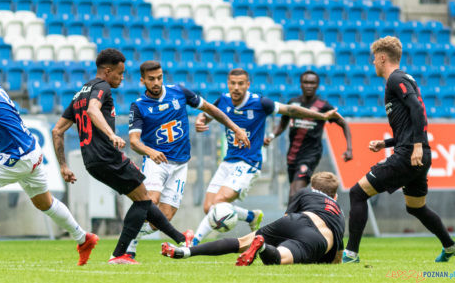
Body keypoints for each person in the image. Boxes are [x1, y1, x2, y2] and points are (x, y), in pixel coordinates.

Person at [52, 49, 196, 265]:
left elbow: (57, 131)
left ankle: (180, 238)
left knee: (143, 199)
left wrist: (63, 165)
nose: (122, 78)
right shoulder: (102, 88)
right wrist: (111, 135)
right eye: (120, 73)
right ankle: (121, 253)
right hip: (108, 156)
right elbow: (93, 110)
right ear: (108, 71)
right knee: (144, 200)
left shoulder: (79, 93)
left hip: (91, 162)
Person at [192, 68, 343, 245]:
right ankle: (251, 216)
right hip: (228, 161)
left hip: (249, 163)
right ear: (228, 84)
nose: (236, 87)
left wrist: (322, 115)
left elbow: (291, 110)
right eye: (233, 83)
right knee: (208, 208)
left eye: (241, 83)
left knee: (219, 202)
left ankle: (192, 242)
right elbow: (209, 114)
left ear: (248, 85)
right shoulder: (223, 100)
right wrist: (200, 120)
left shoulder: (260, 103)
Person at [342, 36, 455, 263]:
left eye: (374, 58)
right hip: (417, 153)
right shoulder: (402, 80)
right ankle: (450, 246)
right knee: (416, 207)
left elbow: (418, 109)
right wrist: (385, 143)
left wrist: (415, 147)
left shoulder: (396, 78)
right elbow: (409, 121)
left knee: (357, 193)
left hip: (409, 155)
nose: (372, 63)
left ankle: (351, 253)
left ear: (383, 58)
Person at [125, 60, 250, 258]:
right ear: (142, 80)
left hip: (181, 164)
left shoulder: (179, 92)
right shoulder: (139, 106)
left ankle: (131, 236)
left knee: (165, 217)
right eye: (151, 79)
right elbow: (134, 141)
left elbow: (210, 109)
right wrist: (149, 151)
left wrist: (235, 129)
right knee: (151, 200)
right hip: (156, 162)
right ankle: (128, 249)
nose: (156, 82)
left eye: (159, 78)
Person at [0, 77, 98, 266]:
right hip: (30, 150)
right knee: (45, 203)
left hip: (18, 156)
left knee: (46, 203)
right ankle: (83, 238)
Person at [161, 172, 344, 266]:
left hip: (296, 220)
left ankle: (186, 251)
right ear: (334, 196)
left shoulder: (306, 192)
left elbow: (287, 217)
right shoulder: (339, 212)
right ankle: (263, 246)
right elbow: (336, 258)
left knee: (241, 242)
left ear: (314, 187)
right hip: (318, 237)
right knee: (279, 257)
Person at [264, 70, 353, 204]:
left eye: (312, 83)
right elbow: (282, 124)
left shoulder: (323, 106)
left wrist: (349, 149)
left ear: (317, 85)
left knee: (294, 193)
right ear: (300, 84)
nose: (309, 85)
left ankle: (291, 222)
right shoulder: (293, 103)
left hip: (311, 154)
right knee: (294, 191)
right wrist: (271, 135)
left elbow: (344, 124)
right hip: (292, 155)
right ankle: (303, 218)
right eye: (306, 82)